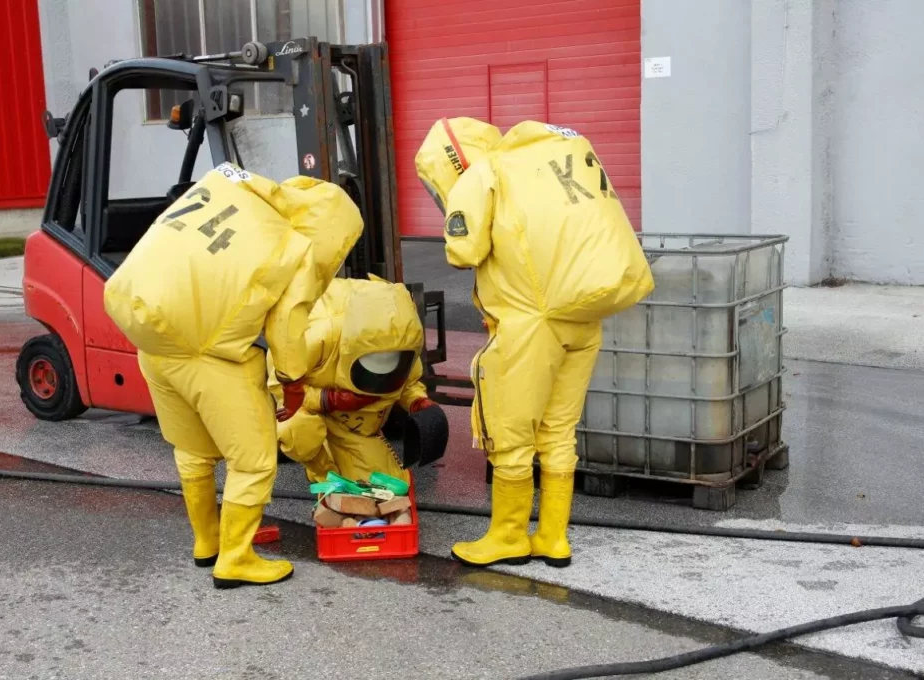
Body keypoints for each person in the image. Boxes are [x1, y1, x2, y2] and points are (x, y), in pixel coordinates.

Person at [104, 163, 362, 588]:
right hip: (207, 356)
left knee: (194, 449)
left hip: (152, 344)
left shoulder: (236, 197)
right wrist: (293, 382)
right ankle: (237, 558)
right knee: (255, 460)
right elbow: (286, 327)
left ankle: (207, 542)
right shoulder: (297, 248)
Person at [415, 118, 654, 568]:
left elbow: (462, 252)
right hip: (582, 319)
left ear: (451, 162)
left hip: (528, 326)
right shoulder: (533, 167)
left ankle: (508, 536)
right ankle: (552, 537)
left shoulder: (482, 174)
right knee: (558, 430)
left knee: (510, 432)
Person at [269, 274, 436, 485]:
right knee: (294, 428)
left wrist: (418, 401)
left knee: (389, 484)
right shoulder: (316, 337)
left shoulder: (405, 343)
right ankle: (324, 473)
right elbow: (279, 383)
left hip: (356, 425)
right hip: (310, 411)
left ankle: (346, 462)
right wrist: (328, 399)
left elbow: (409, 383)